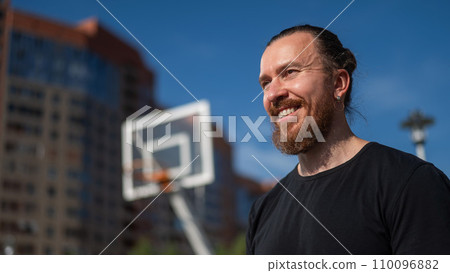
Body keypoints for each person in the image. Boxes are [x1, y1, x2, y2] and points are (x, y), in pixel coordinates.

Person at [246, 25, 450, 255]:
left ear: (338, 84)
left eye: (290, 72)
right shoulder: (263, 211)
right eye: (266, 83)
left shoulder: (410, 183)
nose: (272, 94)